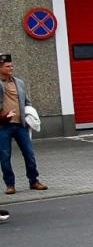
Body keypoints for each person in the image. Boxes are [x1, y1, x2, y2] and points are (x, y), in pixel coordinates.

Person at [0, 54, 46, 195]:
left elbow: (27, 101)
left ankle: (34, 181)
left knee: (29, 154)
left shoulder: (19, 82)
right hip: (3, 127)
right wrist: (3, 117)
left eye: (12, 65)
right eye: (7, 66)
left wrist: (29, 114)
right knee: (5, 156)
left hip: (21, 125)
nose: (11, 68)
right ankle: (10, 185)